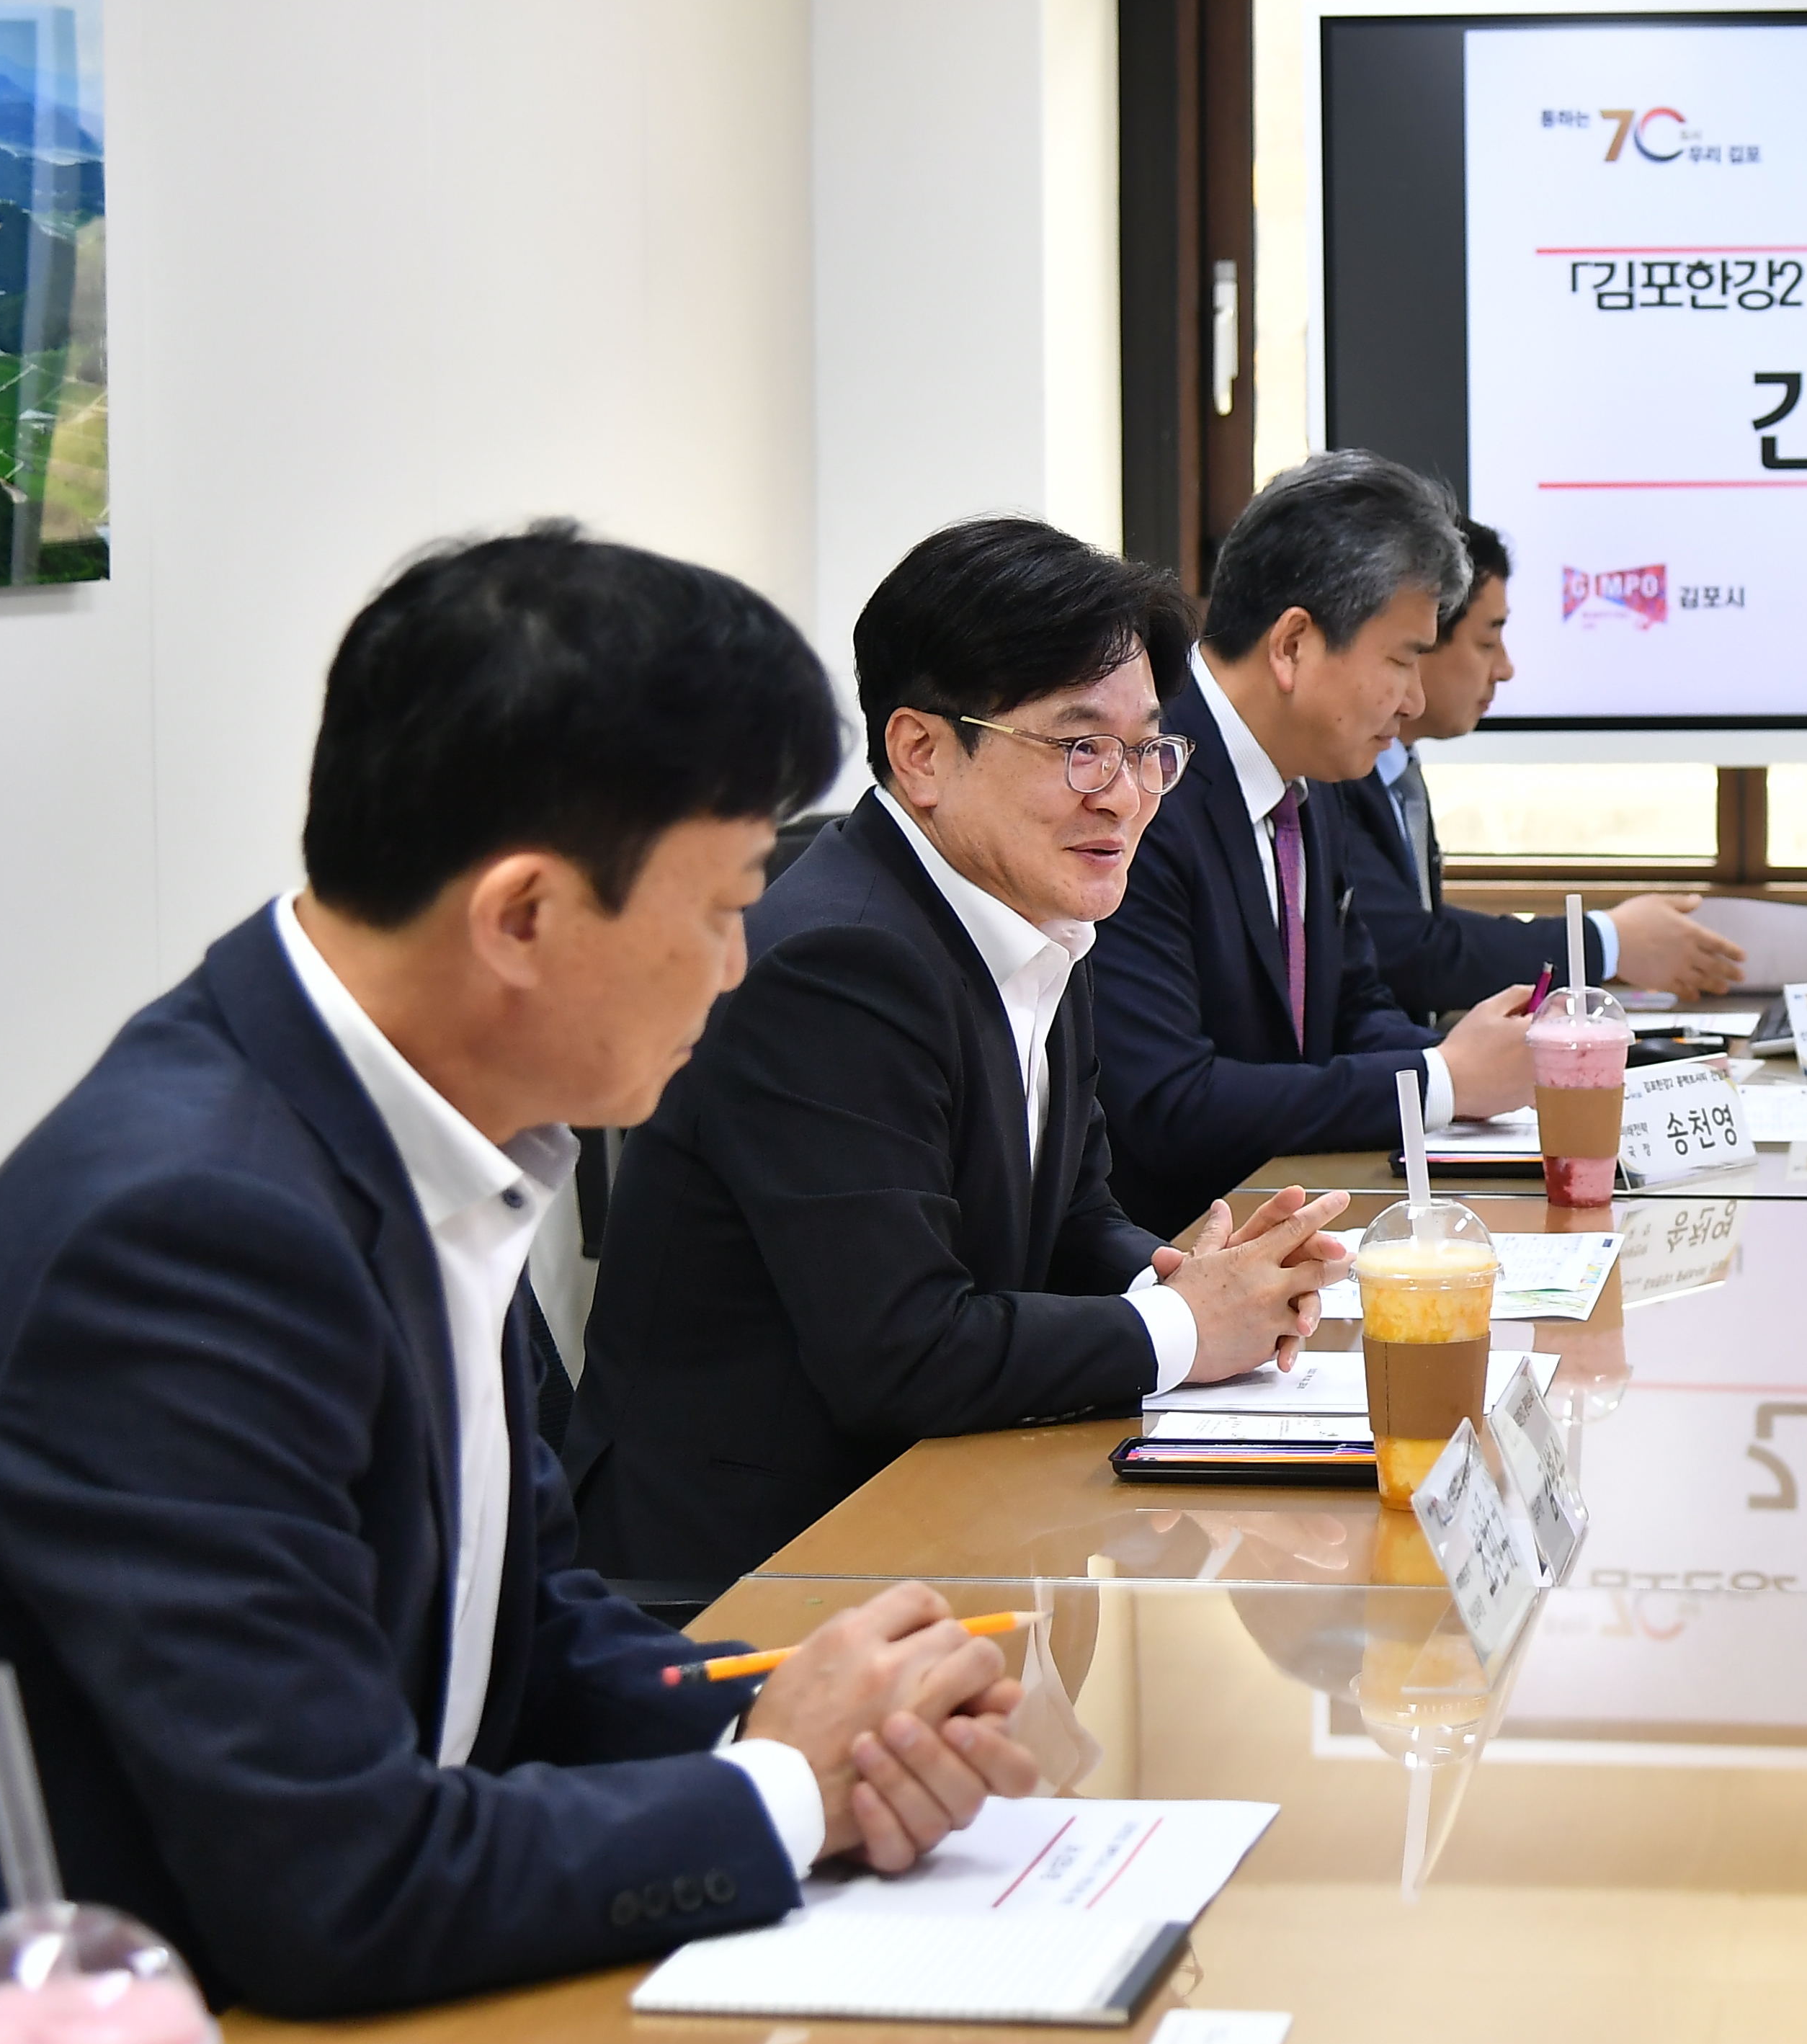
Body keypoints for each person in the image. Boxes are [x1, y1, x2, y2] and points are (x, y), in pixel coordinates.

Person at [0, 527, 1044, 2044]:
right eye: (724, 904)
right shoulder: (191, 1231)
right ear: (521, 915)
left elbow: (514, 1620)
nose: (740, 968)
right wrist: (777, 1787)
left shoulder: (391, 1115)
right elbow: (332, 1877)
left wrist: (790, 1722)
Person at [566, 519, 1351, 1588]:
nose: (1122, 794)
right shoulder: (838, 966)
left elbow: (1068, 1222)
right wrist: (1181, 1325)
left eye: (1145, 750)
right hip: (751, 1575)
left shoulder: (1033, 914)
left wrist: (1193, 1279)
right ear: (922, 752)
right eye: (1079, 746)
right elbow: (902, 1352)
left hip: (936, 1516)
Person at [1091, 451, 1533, 1232]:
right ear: (1293, 644)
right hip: (1174, 1253)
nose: (1414, 700)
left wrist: (1487, 1060)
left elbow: (1352, 1005)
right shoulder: (1145, 784)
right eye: (1401, 659)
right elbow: (1170, 1101)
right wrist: (1439, 1081)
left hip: (1297, 1217)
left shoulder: (1311, 772)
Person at [1333, 517, 1746, 1013]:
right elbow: (1408, 953)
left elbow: (1419, 935)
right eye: (1488, 641)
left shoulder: (1396, 770)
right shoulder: (1330, 773)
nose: (1505, 669)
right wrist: (1604, 943)